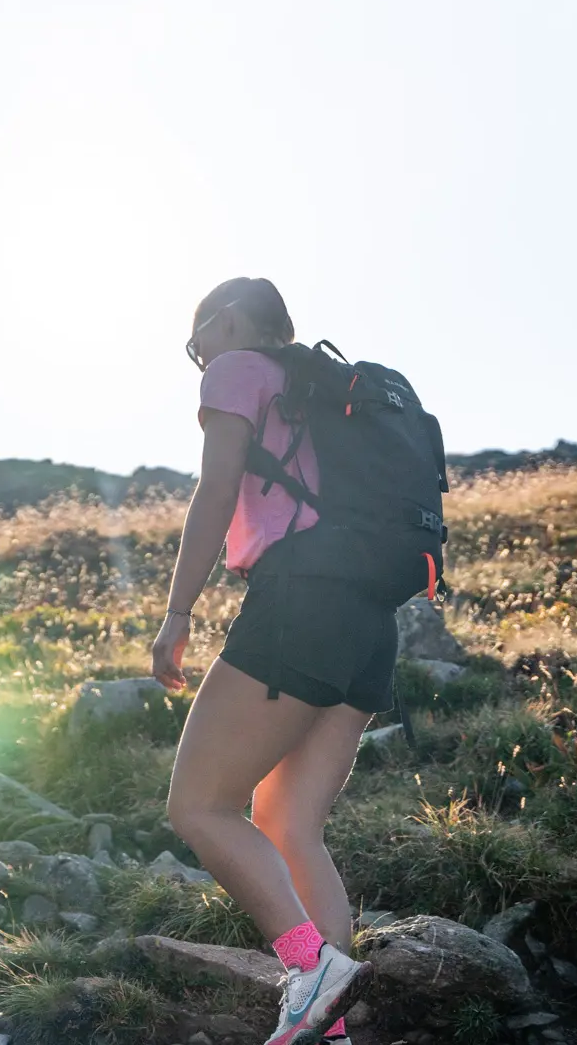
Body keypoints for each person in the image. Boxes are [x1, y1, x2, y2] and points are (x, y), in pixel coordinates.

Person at [153, 278, 390, 1045]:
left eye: (198, 345)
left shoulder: (239, 368)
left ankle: (308, 968)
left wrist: (178, 611)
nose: (200, 362)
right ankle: (328, 1026)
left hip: (300, 603)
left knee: (198, 804)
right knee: (289, 823)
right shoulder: (321, 387)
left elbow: (217, 487)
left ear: (227, 324)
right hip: (369, 618)